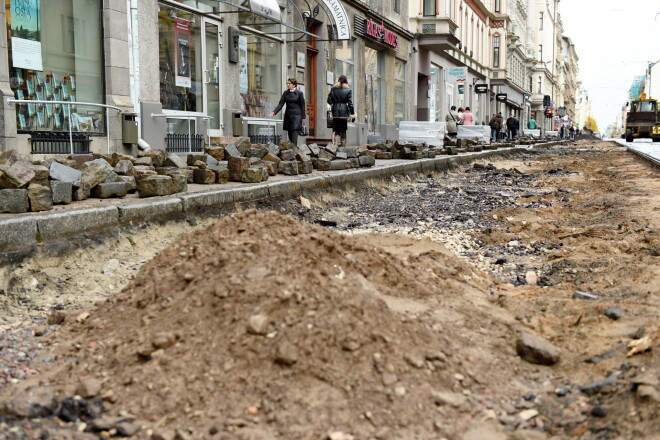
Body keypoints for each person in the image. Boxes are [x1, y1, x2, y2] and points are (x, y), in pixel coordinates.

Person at [271, 78, 306, 145]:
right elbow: (281, 104)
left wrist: (303, 117)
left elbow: (302, 106)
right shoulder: (285, 93)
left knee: (294, 134)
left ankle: (294, 151)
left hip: (297, 116)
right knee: (290, 135)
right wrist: (274, 112)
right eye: (288, 83)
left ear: (294, 85)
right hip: (288, 115)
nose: (288, 85)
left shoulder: (299, 93)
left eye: (289, 83)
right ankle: (292, 150)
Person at [327, 74, 355, 147]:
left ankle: (334, 144)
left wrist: (334, 102)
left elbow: (329, 101)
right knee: (343, 129)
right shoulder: (348, 90)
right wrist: (352, 114)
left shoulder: (333, 89)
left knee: (335, 127)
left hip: (335, 110)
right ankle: (343, 145)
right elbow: (350, 103)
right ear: (346, 81)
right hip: (344, 111)